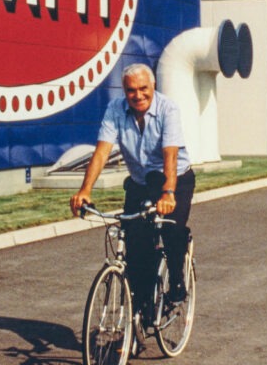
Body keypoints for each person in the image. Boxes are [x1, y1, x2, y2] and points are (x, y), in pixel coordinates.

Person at [70, 62, 195, 307]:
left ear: (153, 86)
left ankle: (178, 280)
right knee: (136, 249)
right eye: (131, 90)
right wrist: (85, 191)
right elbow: (102, 152)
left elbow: (169, 153)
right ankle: (136, 321)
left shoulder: (168, 109)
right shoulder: (115, 109)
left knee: (170, 228)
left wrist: (168, 192)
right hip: (140, 182)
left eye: (143, 88)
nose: (138, 95)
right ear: (124, 91)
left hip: (175, 179)